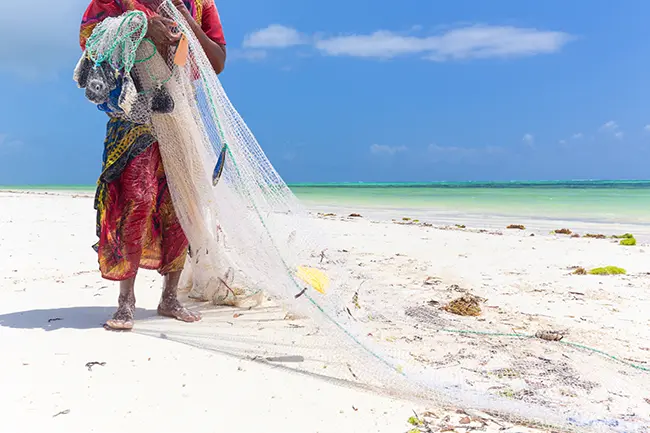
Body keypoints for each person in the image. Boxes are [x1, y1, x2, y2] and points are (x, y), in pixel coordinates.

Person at [79, 0, 227, 330]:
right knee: (136, 198)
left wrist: (186, 21)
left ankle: (170, 298)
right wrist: (141, 24)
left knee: (181, 202)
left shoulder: (200, 5)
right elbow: (90, 38)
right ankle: (126, 301)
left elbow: (217, 61)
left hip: (180, 113)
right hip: (133, 111)